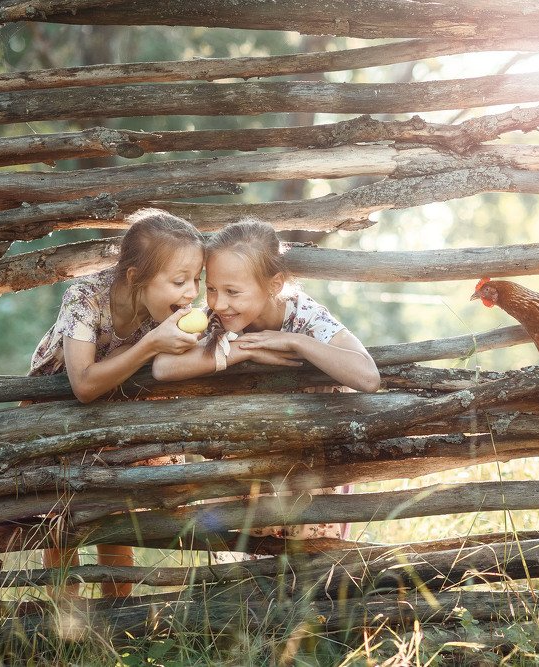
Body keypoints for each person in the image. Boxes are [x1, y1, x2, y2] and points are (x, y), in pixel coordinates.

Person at [152, 218, 381, 561]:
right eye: (211, 288)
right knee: (243, 577)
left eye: (232, 291)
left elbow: (367, 377)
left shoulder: (305, 316)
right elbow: (163, 367)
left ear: (274, 285)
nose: (218, 302)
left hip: (309, 469)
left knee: (309, 571)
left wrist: (295, 341)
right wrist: (242, 349)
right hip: (245, 469)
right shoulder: (215, 321)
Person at [29, 207, 205, 596]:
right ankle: (65, 618)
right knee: (64, 518)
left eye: (196, 279)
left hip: (117, 417)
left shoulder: (161, 317)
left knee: (117, 509)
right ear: (134, 277)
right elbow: (84, 385)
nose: (192, 292)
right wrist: (150, 345)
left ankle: (119, 612)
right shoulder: (85, 297)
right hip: (57, 416)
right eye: (179, 280)